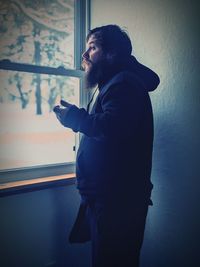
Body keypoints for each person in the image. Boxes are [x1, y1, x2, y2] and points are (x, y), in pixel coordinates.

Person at [53, 25, 160, 267]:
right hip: (110, 199)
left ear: (112, 54)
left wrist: (75, 118)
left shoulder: (124, 84)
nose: (84, 55)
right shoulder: (114, 83)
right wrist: (76, 117)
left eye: (92, 47)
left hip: (117, 203)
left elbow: (113, 127)